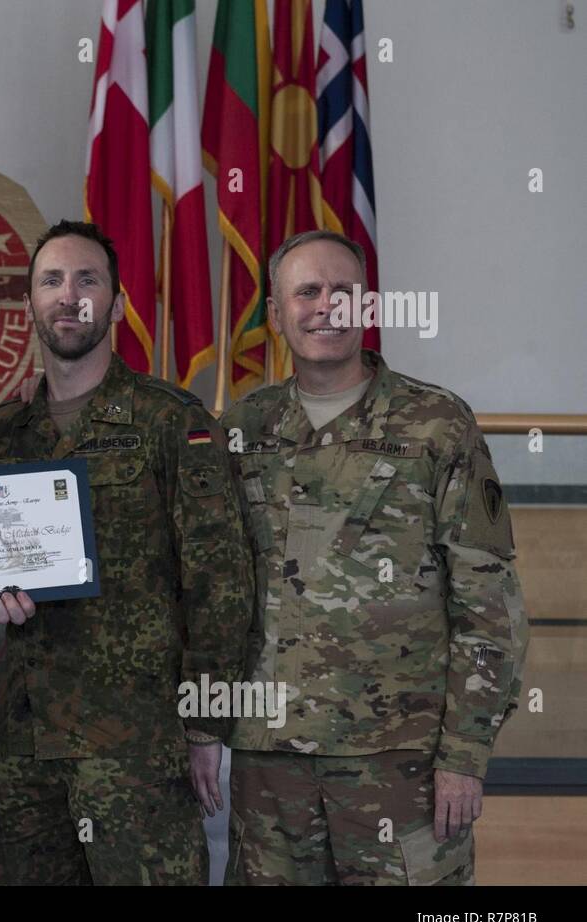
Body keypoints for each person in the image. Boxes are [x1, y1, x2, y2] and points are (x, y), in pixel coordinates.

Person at [222, 229, 528, 885]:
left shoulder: (437, 423)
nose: (326, 306)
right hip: (270, 764)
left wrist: (466, 753)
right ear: (276, 313)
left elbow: (489, 599)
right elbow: (207, 584)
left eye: (345, 291)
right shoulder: (241, 428)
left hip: (403, 763)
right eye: (307, 292)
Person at [0, 219, 254, 884]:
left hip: (138, 749)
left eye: (87, 279)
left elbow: (221, 581)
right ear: (30, 306)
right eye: (51, 280)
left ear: (117, 302)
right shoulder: (4, 433)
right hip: (26, 751)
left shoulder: (172, 421)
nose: (68, 295)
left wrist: (206, 723)